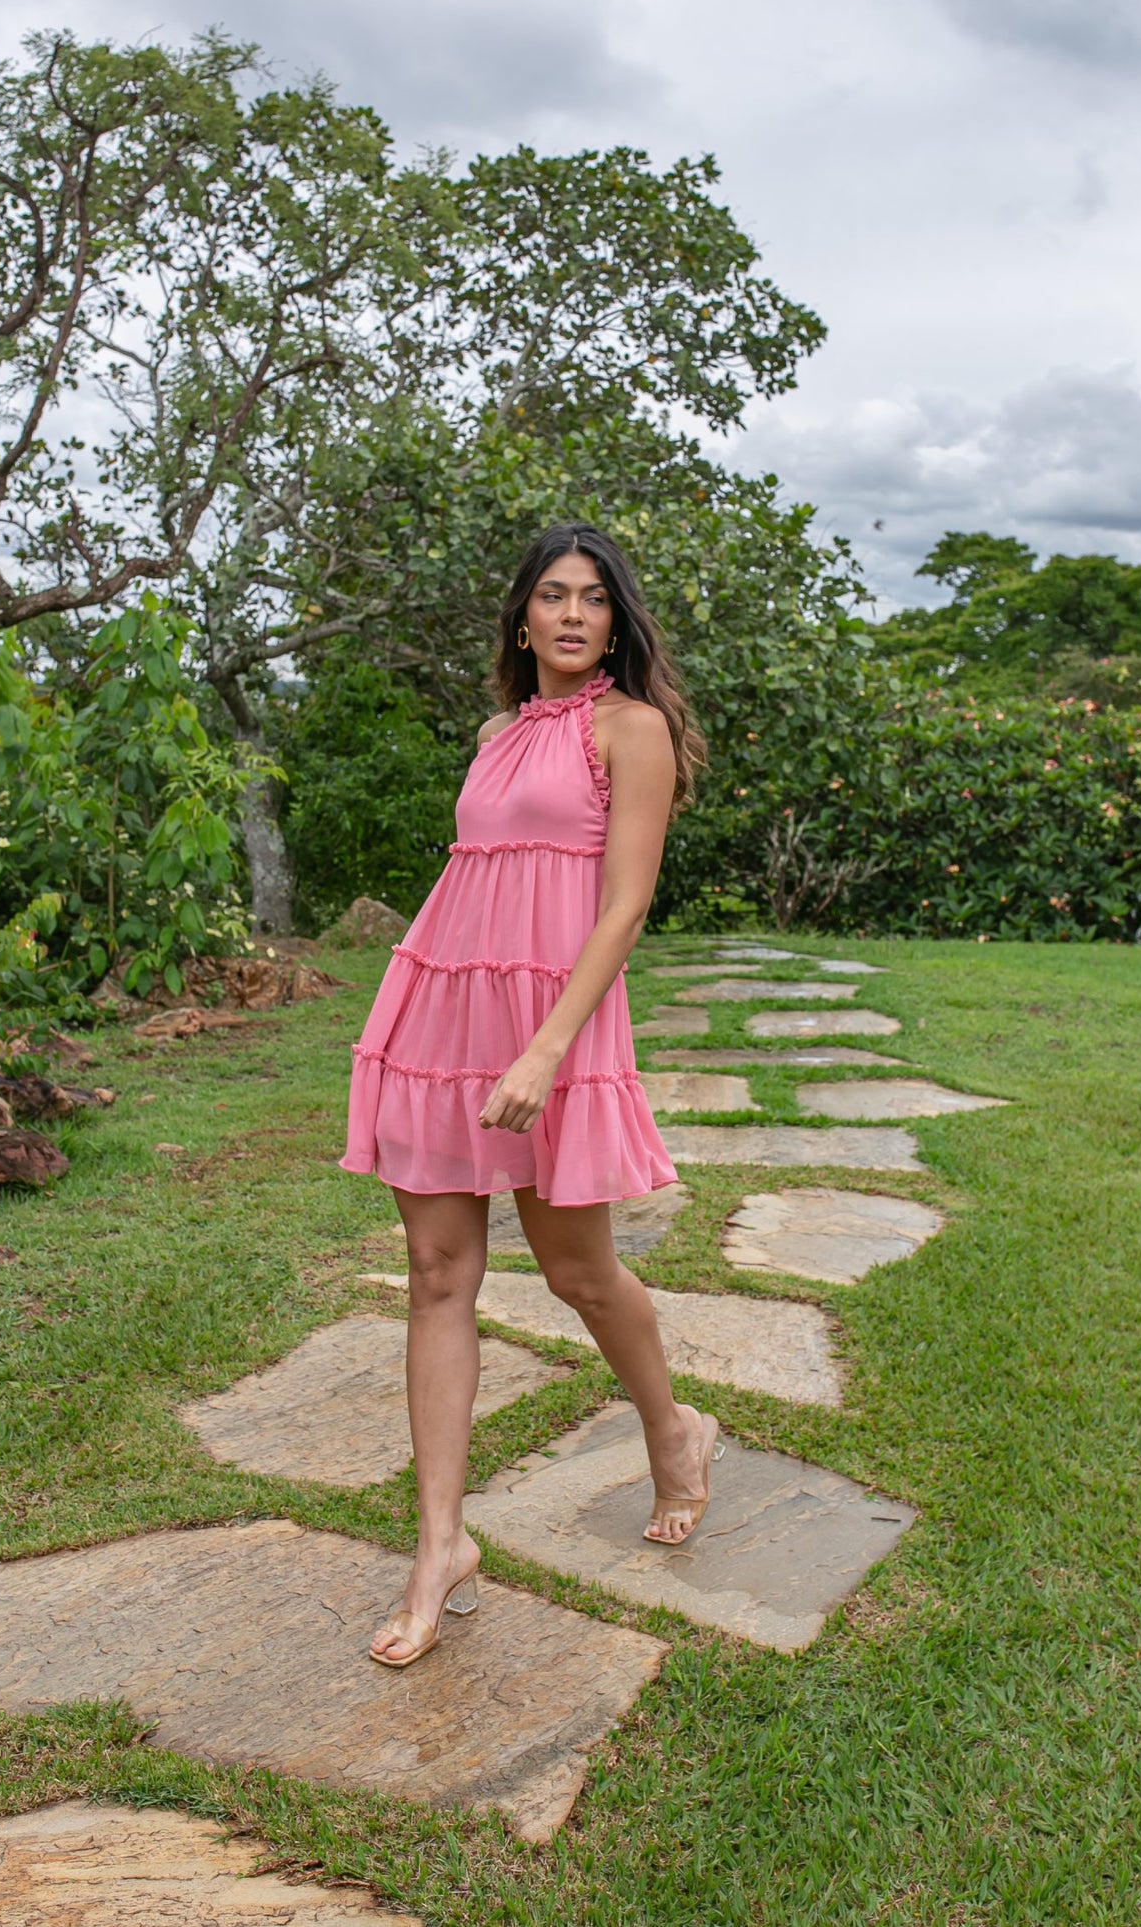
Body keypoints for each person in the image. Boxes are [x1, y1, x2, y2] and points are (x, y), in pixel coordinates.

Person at [340, 521, 722, 1669]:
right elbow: (477, 875)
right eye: (550, 595)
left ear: (616, 621)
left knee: (575, 1269)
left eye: (591, 599)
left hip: (548, 1025)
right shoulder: (496, 732)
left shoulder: (631, 729)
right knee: (437, 1274)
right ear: (521, 617)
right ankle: (439, 1544)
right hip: (443, 1014)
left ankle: (673, 1424)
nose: (569, 613)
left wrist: (549, 1047)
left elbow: (624, 904)